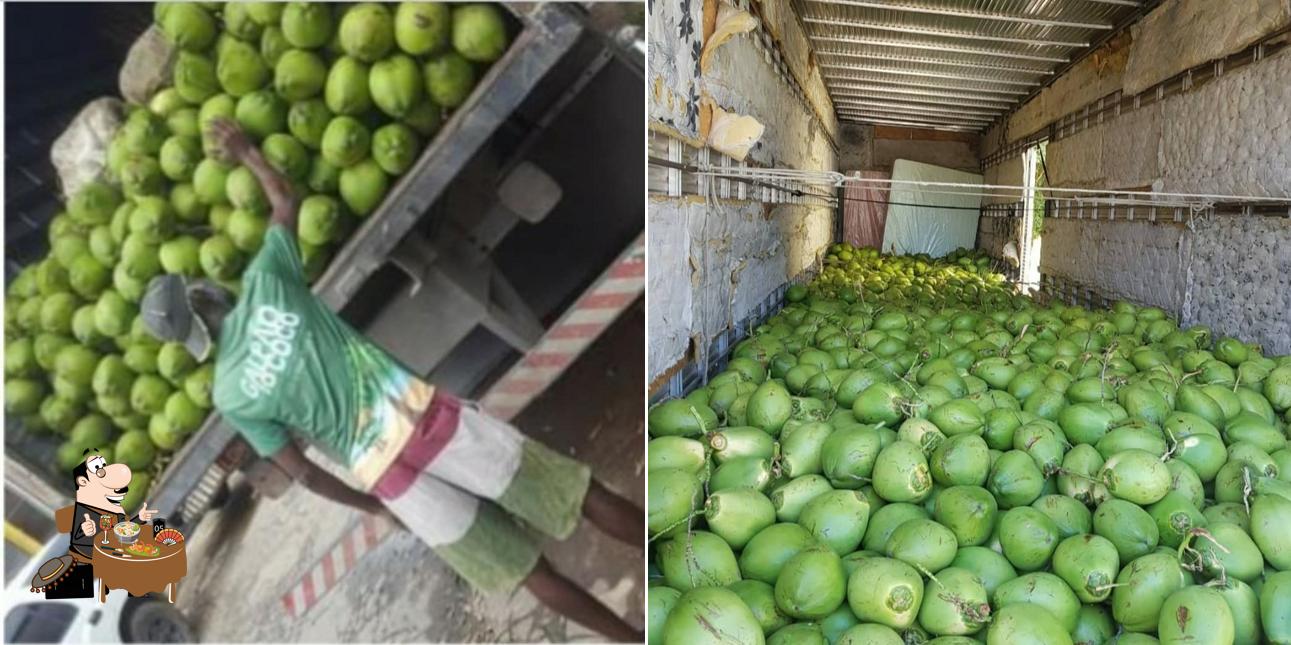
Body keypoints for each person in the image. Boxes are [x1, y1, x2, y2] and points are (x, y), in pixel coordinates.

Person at [140, 118, 643, 641]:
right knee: (574, 494)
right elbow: (285, 202)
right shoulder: (267, 281)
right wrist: (247, 152)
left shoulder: (230, 395)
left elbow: (305, 475)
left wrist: (375, 506)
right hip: (424, 419)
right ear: (205, 295)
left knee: (530, 573)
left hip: (390, 479)